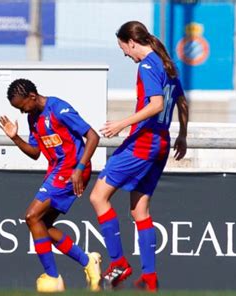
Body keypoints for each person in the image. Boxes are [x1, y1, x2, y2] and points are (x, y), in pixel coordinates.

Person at [89, 21, 189, 292]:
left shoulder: (147, 65)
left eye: (123, 48)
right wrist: (182, 135)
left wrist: (122, 124)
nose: (124, 54)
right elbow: (182, 102)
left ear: (131, 42)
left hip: (143, 143)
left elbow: (156, 104)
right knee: (139, 210)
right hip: (162, 144)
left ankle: (119, 262)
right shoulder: (166, 64)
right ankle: (150, 277)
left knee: (98, 196)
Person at [0, 78, 102, 292]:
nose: (22, 112)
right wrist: (15, 138)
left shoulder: (59, 109)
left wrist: (79, 168)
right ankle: (88, 261)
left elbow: (93, 136)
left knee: (31, 216)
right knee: (42, 225)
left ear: (32, 97)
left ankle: (53, 278)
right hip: (56, 171)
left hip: (71, 169)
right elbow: (36, 153)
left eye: (22, 106)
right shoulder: (33, 118)